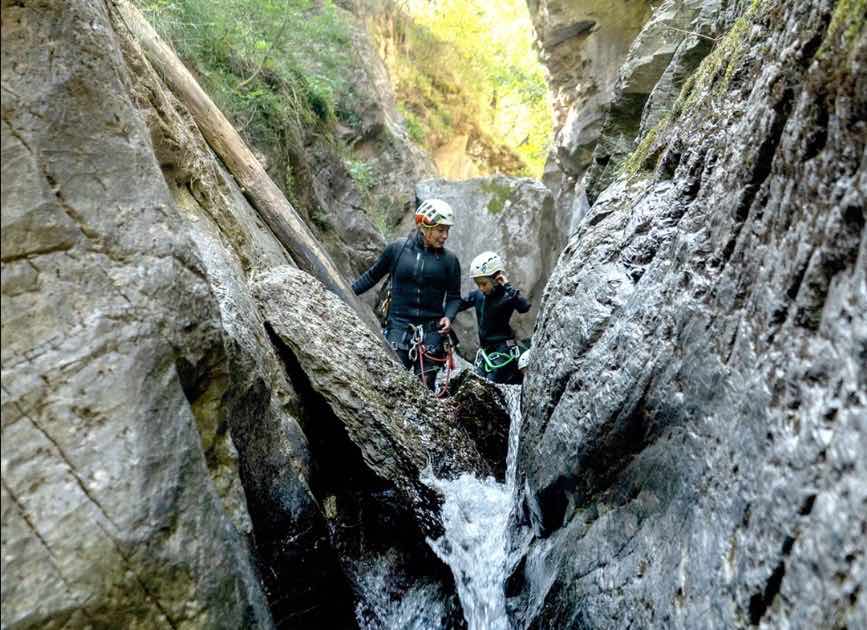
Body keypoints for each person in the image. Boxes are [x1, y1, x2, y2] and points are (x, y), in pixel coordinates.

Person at [352, 198, 461, 391]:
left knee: (425, 388)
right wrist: (344, 291)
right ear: (424, 226)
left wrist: (449, 317)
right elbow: (371, 276)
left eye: (447, 230)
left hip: (432, 333)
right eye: (440, 229)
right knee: (392, 386)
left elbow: (454, 297)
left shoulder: (450, 261)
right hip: (398, 329)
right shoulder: (397, 250)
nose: (445, 236)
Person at [459, 251, 531, 384]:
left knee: (489, 385)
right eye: (478, 284)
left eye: (484, 284)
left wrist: (507, 285)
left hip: (503, 349)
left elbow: (524, 306)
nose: (481, 288)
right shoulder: (477, 296)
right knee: (475, 383)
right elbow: (458, 304)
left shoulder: (507, 296)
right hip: (486, 351)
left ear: (495, 279)